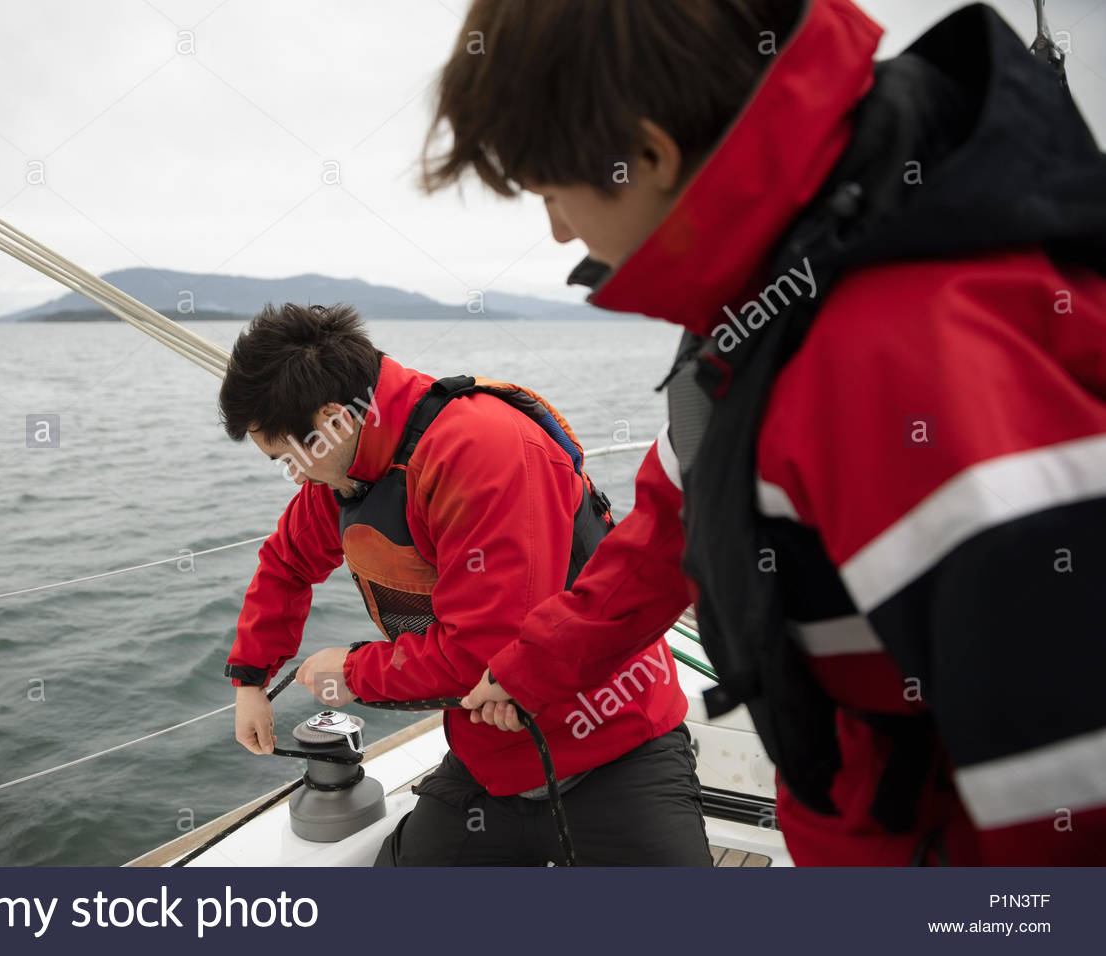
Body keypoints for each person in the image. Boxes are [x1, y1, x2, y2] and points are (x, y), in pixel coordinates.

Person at [431, 0, 1106, 865]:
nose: (559, 230)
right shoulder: (753, 320)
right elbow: (664, 536)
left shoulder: (894, 365)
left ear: (647, 155)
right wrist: (527, 668)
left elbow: (1071, 812)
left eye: (551, 193)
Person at [218, 302, 711, 866]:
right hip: (491, 759)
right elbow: (287, 561)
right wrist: (251, 679)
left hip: (616, 747)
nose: (294, 474)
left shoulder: (480, 451)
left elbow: (491, 654)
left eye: (288, 457)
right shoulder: (348, 468)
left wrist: (350, 671)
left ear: (334, 421)